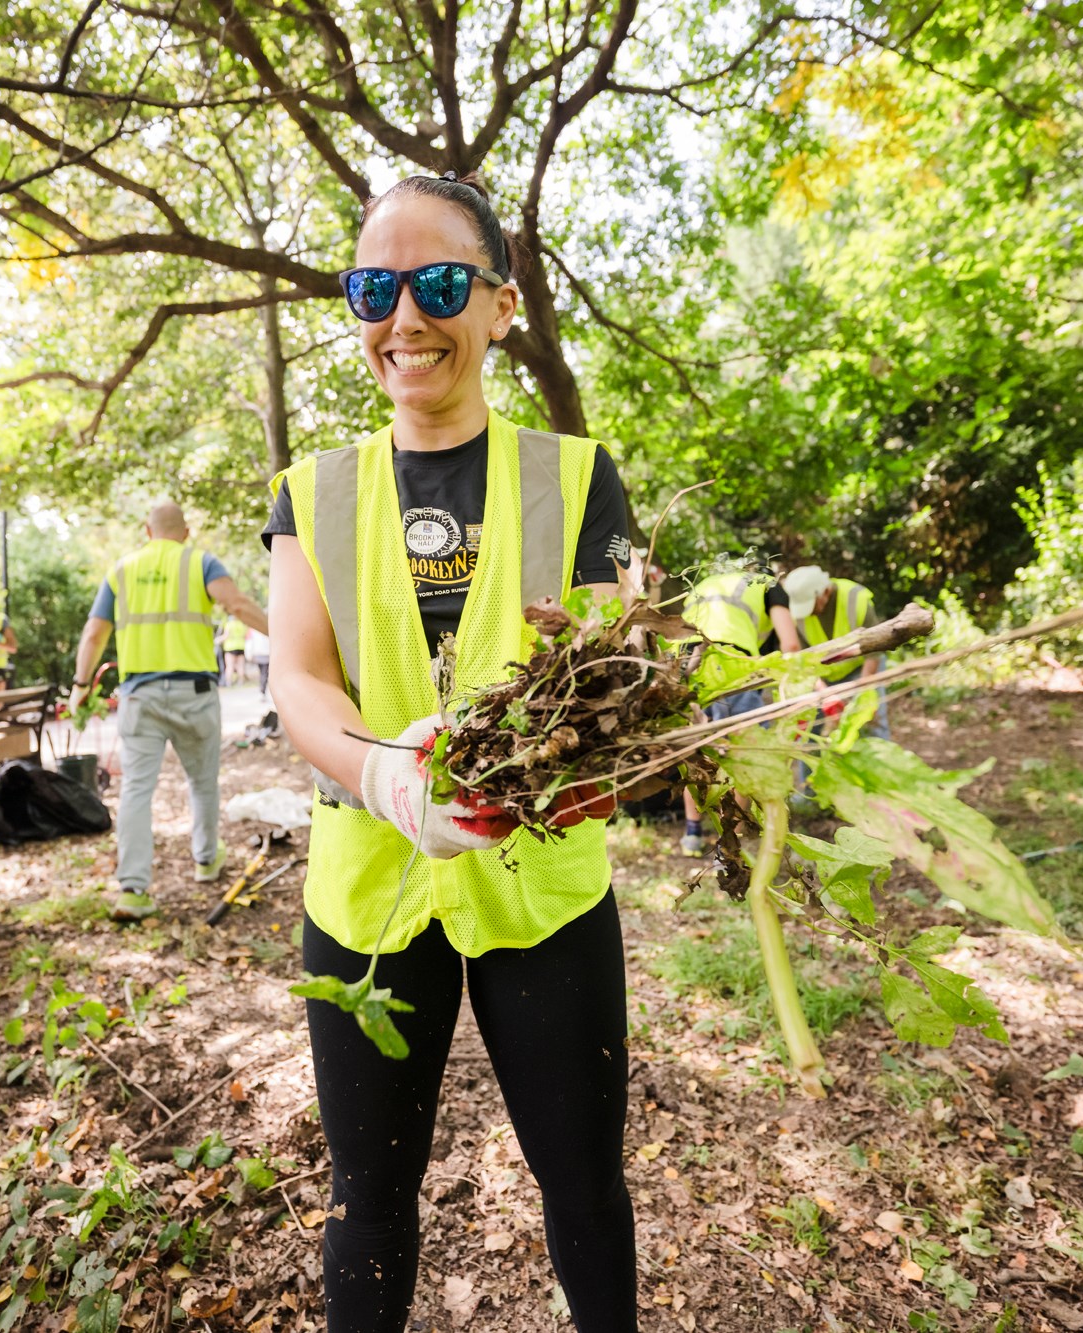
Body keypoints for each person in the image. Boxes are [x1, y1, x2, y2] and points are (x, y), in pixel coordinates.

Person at [262, 171, 637, 1333]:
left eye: (435, 283)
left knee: (581, 1182)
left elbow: (608, 681)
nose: (404, 319)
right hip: (367, 892)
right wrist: (381, 770)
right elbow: (300, 680)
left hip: (542, 892)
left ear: (498, 304)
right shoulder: (311, 489)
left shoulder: (574, 477)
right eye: (374, 287)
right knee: (367, 1196)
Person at [68, 501, 268, 921]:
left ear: (147, 530)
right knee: (202, 782)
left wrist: (81, 686)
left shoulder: (121, 571)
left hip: (140, 695)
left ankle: (133, 890)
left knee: (137, 789)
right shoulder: (201, 562)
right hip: (193, 694)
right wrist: (286, 636)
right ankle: (206, 860)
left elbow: (93, 632)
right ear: (186, 531)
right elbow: (236, 605)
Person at [675, 566, 799, 855]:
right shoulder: (769, 586)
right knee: (745, 756)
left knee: (694, 752)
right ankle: (728, 846)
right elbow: (790, 643)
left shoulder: (709, 581)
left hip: (681, 663)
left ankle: (692, 835)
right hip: (729, 661)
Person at [784, 564, 887, 737]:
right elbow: (802, 661)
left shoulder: (855, 598)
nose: (808, 613)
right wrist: (824, 693)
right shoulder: (797, 614)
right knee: (809, 731)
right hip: (821, 675)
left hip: (860, 668)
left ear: (823, 592)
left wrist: (863, 693)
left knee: (872, 722)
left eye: (811, 605)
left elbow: (874, 652)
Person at [221, 616, 250, 686]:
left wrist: (218, 640)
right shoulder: (242, 625)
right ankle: (241, 682)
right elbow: (246, 635)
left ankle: (228, 682)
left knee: (229, 666)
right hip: (241, 647)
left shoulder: (229, 624)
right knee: (240, 666)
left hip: (230, 647)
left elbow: (226, 636)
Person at [245, 627, 271, 698]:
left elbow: (249, 642)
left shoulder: (252, 629)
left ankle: (262, 690)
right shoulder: (267, 626)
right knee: (264, 673)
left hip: (259, 654)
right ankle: (262, 690)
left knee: (263, 673)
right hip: (265, 653)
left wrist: (249, 654)